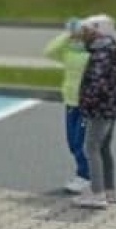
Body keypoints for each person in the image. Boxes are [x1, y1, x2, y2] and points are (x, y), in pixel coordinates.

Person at [74, 14, 116, 210]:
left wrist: (85, 106)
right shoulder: (112, 50)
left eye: (87, 31)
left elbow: (96, 85)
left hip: (100, 109)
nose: (83, 35)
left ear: (99, 32)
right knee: (104, 148)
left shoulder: (101, 54)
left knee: (92, 147)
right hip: (111, 108)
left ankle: (97, 195)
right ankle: (109, 190)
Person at [44, 18, 93, 194]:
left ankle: (85, 176)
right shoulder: (68, 52)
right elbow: (49, 51)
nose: (75, 38)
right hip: (70, 102)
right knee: (72, 143)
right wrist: (66, 35)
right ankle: (86, 174)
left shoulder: (91, 55)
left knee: (81, 143)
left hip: (87, 105)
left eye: (78, 33)